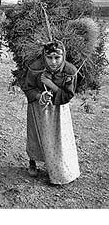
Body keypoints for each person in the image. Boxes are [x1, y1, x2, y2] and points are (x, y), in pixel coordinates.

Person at [23, 39, 80, 185]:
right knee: (36, 134)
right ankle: (33, 162)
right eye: (49, 58)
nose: (53, 62)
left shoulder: (70, 71)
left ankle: (58, 168)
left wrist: (51, 85)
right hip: (38, 108)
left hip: (59, 110)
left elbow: (67, 95)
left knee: (58, 139)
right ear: (44, 56)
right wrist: (39, 95)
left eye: (57, 57)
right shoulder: (36, 68)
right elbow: (28, 87)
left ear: (63, 56)